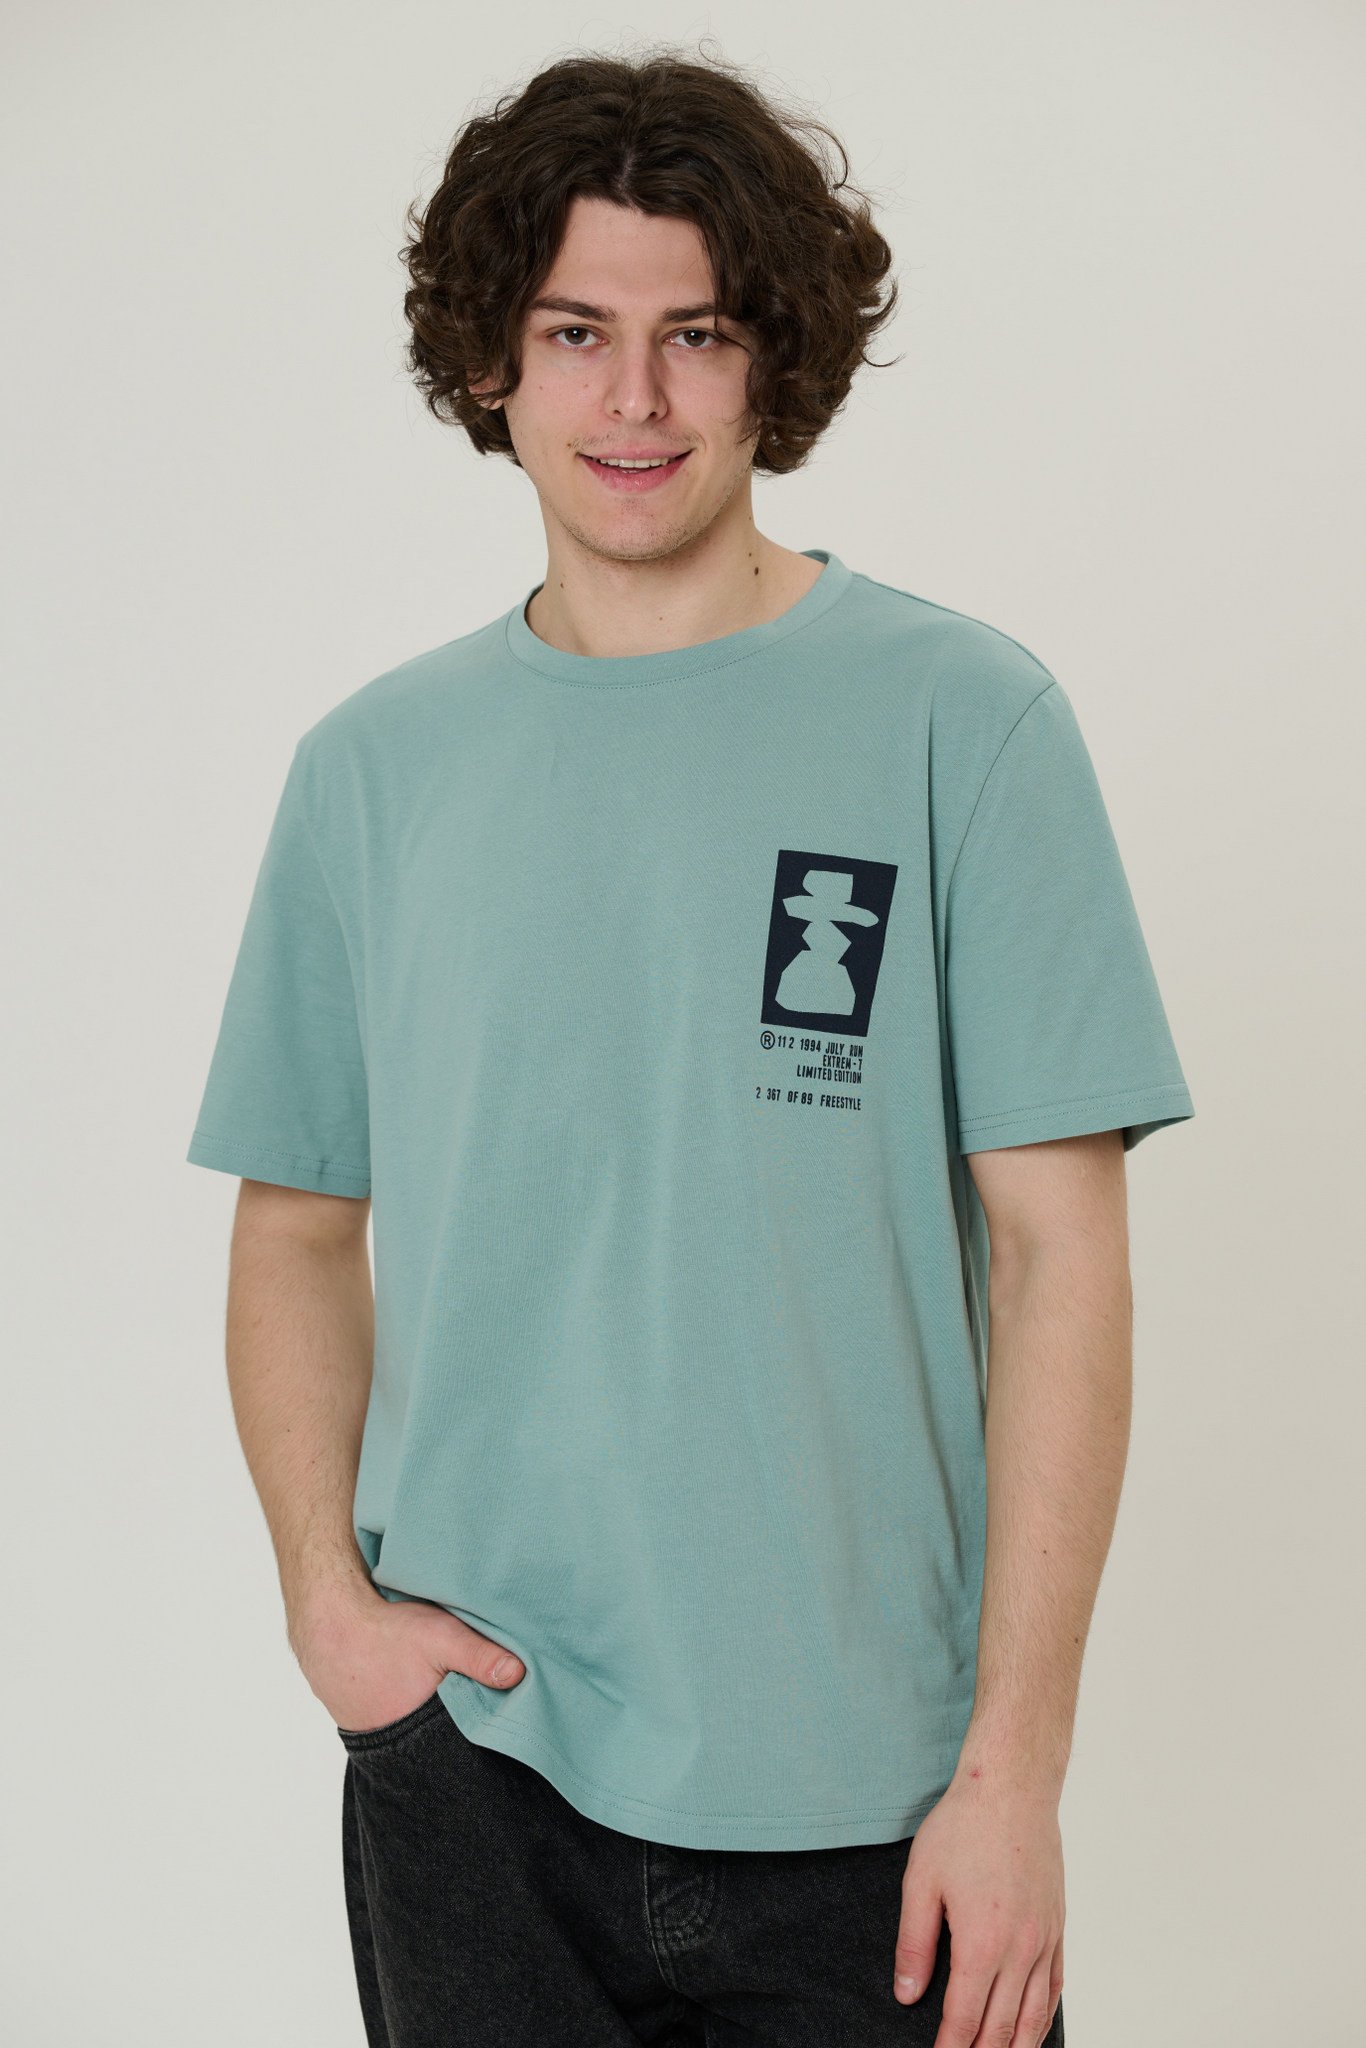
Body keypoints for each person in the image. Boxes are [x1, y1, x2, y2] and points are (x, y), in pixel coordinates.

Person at [185, 44, 1194, 2048]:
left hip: (878, 1803)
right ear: (494, 358)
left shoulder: (959, 719)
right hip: (477, 1774)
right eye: (576, 333)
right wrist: (329, 1604)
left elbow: (1057, 1258)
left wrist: (1010, 1777)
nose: (633, 400)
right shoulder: (374, 771)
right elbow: (293, 1225)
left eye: (695, 334)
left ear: (771, 359)